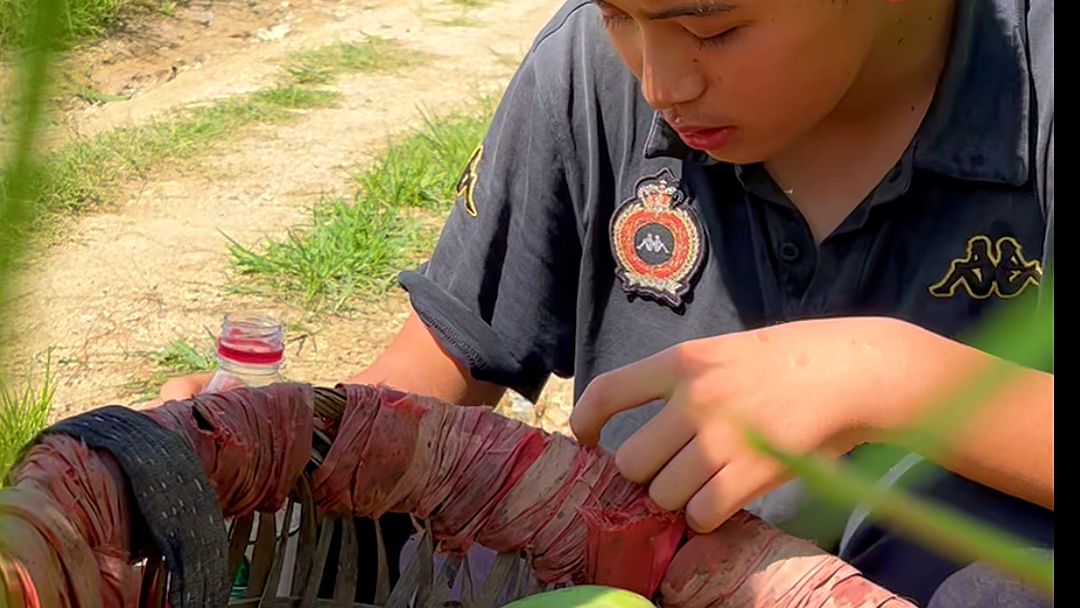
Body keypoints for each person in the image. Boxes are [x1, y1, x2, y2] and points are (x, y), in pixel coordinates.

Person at [161, 0, 1054, 604]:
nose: (662, 83)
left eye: (712, 25)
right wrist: (276, 449)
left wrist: (891, 378)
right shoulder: (591, 76)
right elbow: (430, 382)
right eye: (617, 12)